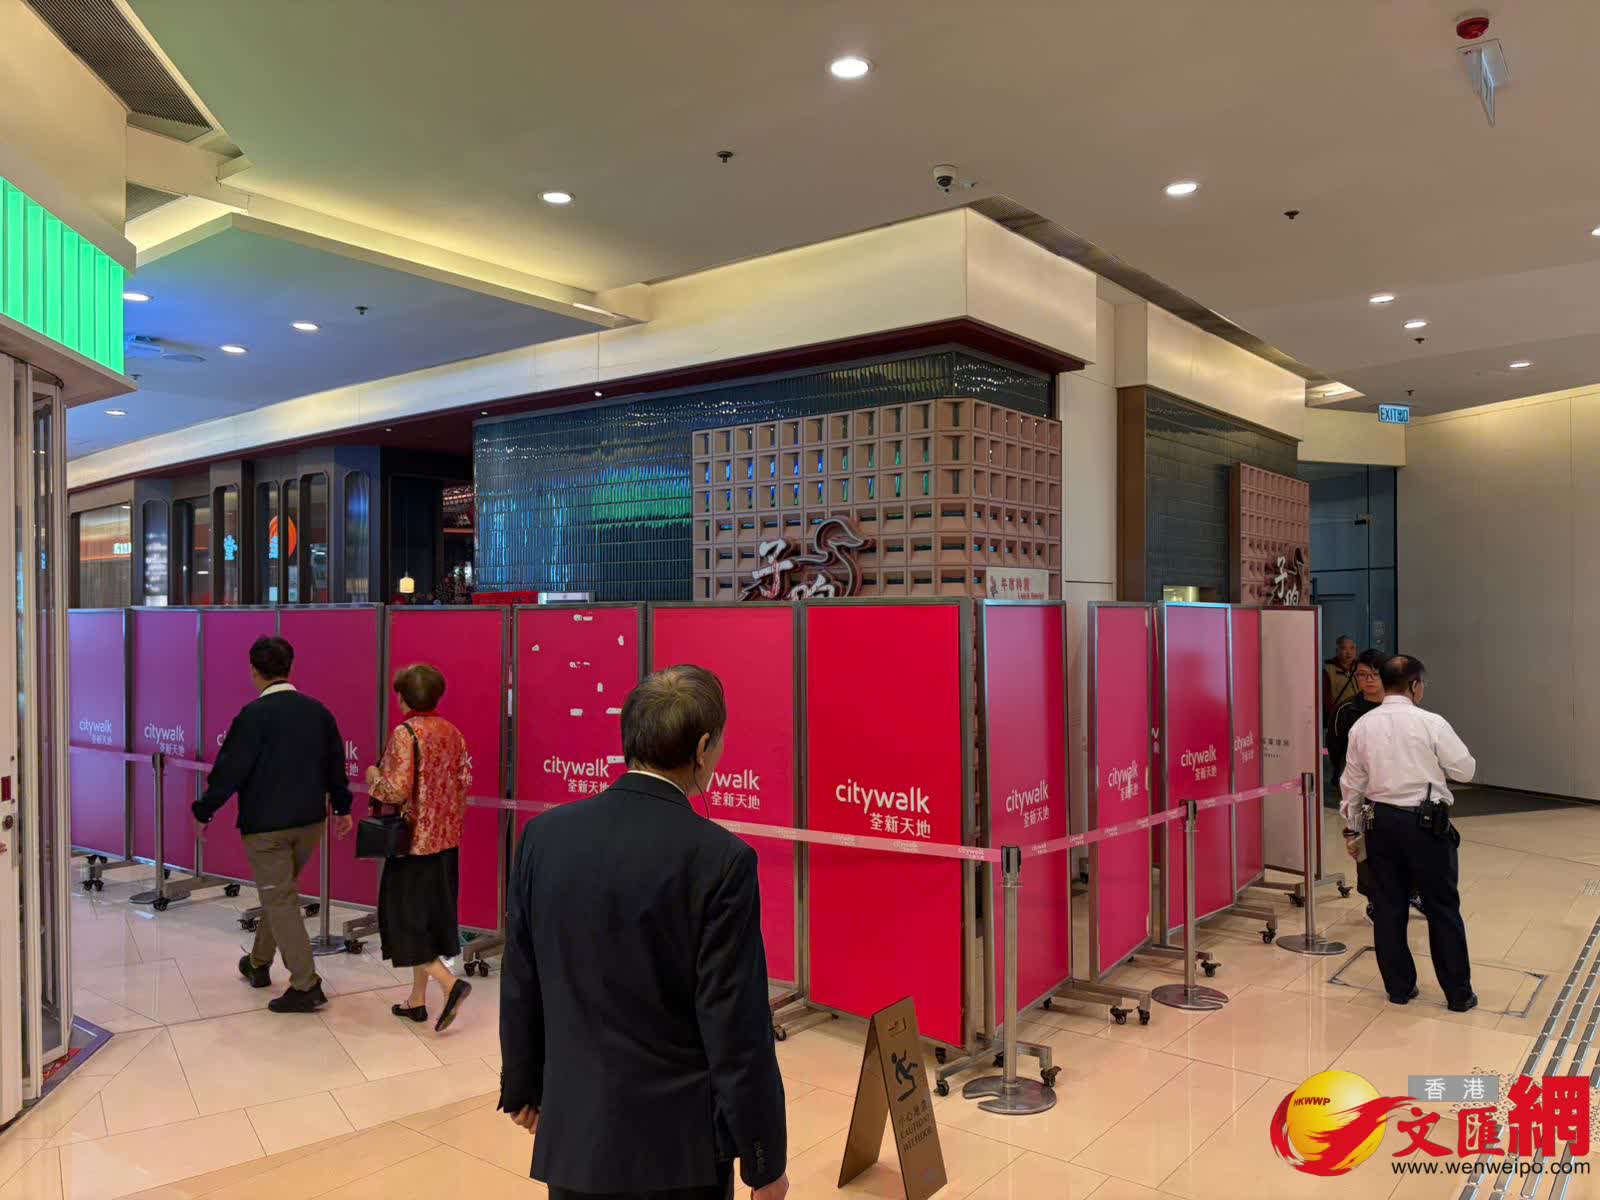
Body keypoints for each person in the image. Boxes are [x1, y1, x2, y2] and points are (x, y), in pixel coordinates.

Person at [499, 665, 788, 1200]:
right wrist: (763, 1160)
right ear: (702, 748)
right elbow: (736, 1026)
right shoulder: (720, 859)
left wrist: (522, 1084)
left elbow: (522, 973)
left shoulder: (544, 836)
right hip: (678, 1152)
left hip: (575, 1138)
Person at [193, 636, 353, 1014]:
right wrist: (342, 807)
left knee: (279, 898)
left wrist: (204, 810)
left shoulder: (251, 716)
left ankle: (306, 984)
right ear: (291, 667)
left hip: (265, 827)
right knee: (279, 893)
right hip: (309, 822)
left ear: (253, 670)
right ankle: (258, 962)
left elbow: (230, 771)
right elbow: (335, 764)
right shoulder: (318, 712)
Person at [1340, 654, 1478, 1012]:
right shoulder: (1431, 723)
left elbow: (1352, 784)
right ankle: (1458, 995)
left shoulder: (1363, 726)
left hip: (1380, 823)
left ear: (1384, 683)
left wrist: (1352, 829)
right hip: (1426, 825)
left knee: (1388, 906)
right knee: (1442, 907)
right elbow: (1465, 770)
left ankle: (1399, 989)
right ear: (1414, 685)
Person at [366, 663, 474, 1032]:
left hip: (412, 844)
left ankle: (450, 984)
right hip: (446, 842)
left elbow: (395, 790)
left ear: (405, 697)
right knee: (427, 921)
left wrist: (373, 778)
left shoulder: (406, 733)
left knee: (403, 922)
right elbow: (464, 780)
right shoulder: (452, 732)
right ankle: (416, 1000)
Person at [1323, 635, 1361, 725]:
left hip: (1360, 715)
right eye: (1344, 648)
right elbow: (1326, 700)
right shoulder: (1328, 670)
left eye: (1352, 648)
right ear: (1337, 651)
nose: (1349, 652)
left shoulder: (1360, 668)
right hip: (1340, 717)